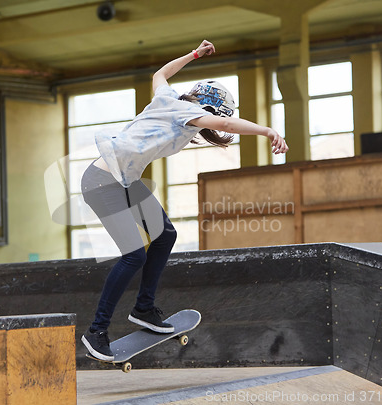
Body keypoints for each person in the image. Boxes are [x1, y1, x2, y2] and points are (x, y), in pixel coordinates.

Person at [81, 40, 289, 361]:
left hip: (124, 181)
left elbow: (160, 73)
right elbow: (225, 124)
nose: (205, 125)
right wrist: (267, 131)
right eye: (211, 116)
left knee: (165, 235)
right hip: (102, 183)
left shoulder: (167, 98)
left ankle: (144, 309)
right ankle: (97, 332)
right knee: (134, 256)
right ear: (208, 107)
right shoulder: (190, 112)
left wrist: (194, 55)